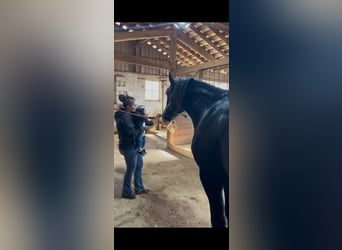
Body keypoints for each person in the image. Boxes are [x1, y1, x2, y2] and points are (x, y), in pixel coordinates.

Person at [114, 94, 149, 199]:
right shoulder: (124, 117)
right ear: (128, 106)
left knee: (138, 166)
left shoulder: (129, 114)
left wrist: (143, 118)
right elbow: (133, 133)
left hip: (133, 146)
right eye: (134, 105)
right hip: (128, 147)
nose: (135, 106)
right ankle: (126, 192)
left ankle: (139, 188)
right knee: (131, 169)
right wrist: (142, 128)